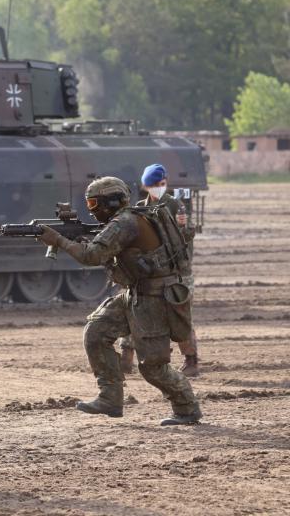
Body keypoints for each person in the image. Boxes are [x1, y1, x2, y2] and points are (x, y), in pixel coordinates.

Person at [37, 176, 201, 425]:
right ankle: (110, 398)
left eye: (95, 205)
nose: (92, 211)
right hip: (135, 293)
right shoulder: (126, 219)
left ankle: (187, 408)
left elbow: (92, 256)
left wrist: (58, 240)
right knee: (96, 332)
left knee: (153, 366)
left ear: (111, 202)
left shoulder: (125, 222)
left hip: (154, 297)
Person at [119, 163, 199, 377]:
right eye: (154, 185)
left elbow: (186, 237)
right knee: (136, 311)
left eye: (162, 184)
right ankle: (126, 358)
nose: (159, 188)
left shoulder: (175, 206)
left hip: (177, 273)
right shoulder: (139, 207)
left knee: (180, 316)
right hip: (151, 271)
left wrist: (184, 227)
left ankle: (191, 360)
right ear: (146, 186)